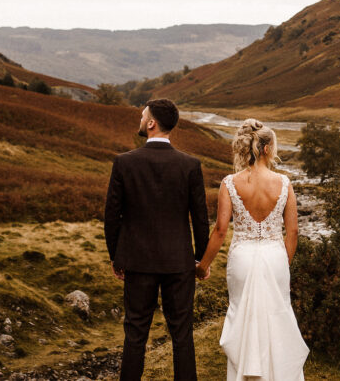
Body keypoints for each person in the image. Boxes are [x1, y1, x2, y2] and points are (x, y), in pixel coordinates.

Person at [104, 98, 210, 381]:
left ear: (151, 123)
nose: (140, 119)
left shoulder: (124, 162)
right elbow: (200, 218)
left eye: (142, 116)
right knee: (182, 334)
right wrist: (200, 259)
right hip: (179, 262)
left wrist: (116, 256)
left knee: (135, 333)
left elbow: (112, 215)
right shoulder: (190, 165)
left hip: (137, 261)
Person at [196, 118, 309, 380]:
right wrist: (283, 263)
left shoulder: (229, 183)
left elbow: (221, 230)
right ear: (267, 149)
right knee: (277, 317)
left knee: (242, 315)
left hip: (242, 259)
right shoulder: (284, 184)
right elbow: (292, 232)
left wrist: (203, 266)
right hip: (275, 257)